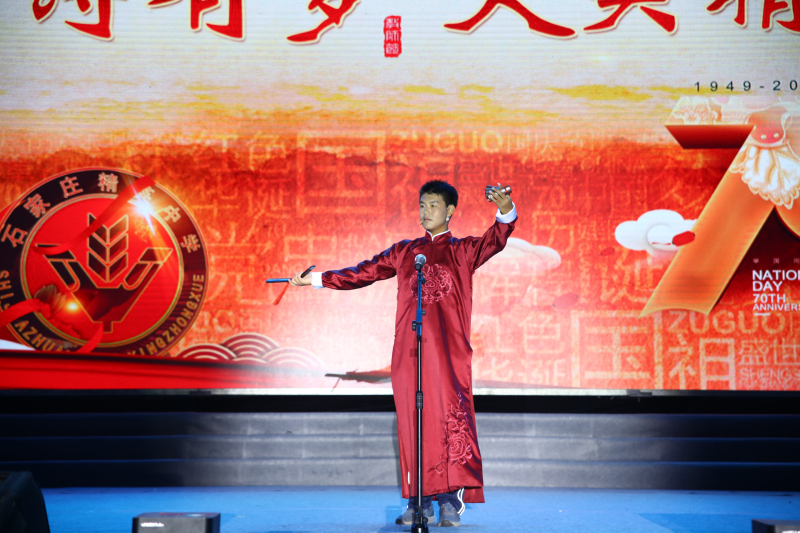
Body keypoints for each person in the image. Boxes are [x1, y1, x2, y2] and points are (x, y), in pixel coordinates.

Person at [290, 180, 516, 527]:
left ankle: (449, 499)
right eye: (422, 205)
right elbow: (364, 272)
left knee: (449, 420)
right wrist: (317, 279)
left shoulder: (463, 251)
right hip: (410, 353)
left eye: (433, 205)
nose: (425, 211)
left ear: (450, 210)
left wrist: (504, 210)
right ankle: (418, 500)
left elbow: (496, 239)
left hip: (449, 354)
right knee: (414, 423)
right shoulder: (405, 251)